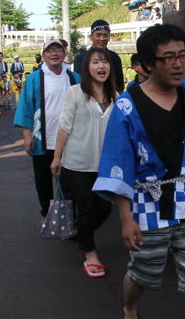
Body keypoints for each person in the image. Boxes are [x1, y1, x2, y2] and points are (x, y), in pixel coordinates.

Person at [93, 24, 185, 319]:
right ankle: (129, 307)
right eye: (169, 57)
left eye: (182, 55)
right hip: (147, 202)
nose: (179, 64)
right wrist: (125, 219)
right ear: (148, 64)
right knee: (143, 273)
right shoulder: (126, 107)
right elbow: (119, 165)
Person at [51, 48, 117, 278]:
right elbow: (64, 126)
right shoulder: (75, 92)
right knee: (87, 208)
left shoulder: (116, 96)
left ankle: (83, 232)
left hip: (105, 166)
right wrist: (57, 157)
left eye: (105, 62)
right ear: (87, 68)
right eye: (96, 62)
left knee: (105, 208)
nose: (102, 66)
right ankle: (90, 253)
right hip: (76, 164)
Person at [14, 39, 81, 221]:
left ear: (64, 53)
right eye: (50, 50)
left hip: (70, 142)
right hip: (42, 139)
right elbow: (25, 107)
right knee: (43, 182)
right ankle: (47, 214)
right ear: (43, 55)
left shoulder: (74, 77)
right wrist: (27, 136)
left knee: (69, 181)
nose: (54, 54)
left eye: (58, 49)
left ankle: (69, 217)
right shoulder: (35, 78)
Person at [73, 20, 124, 92]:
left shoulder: (114, 57)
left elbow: (120, 85)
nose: (102, 39)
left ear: (109, 37)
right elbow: (78, 84)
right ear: (91, 37)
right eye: (98, 35)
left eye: (105, 35)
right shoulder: (81, 58)